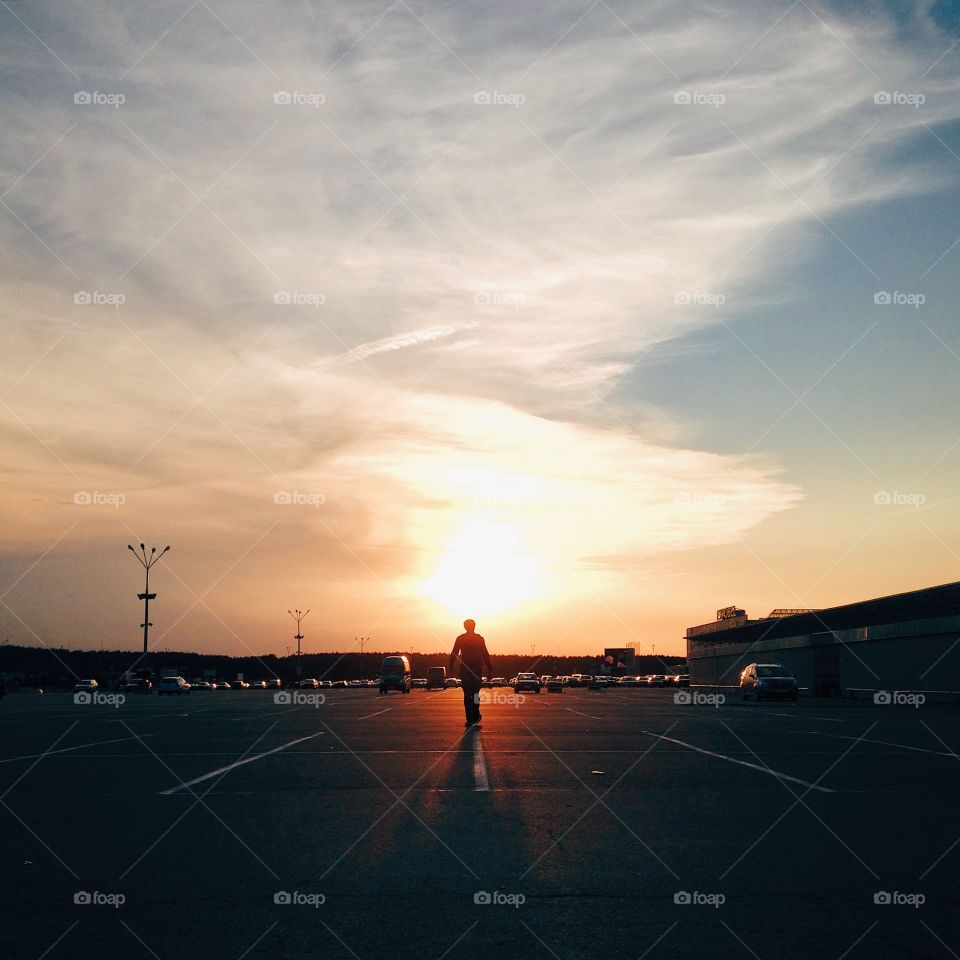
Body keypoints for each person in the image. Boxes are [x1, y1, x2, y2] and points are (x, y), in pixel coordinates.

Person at [449, 619, 493, 727]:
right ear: (474, 626)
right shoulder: (479, 639)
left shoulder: (461, 638)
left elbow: (454, 652)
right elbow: (485, 654)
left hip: (466, 669)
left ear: (465, 627)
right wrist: (490, 669)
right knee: (475, 693)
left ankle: (470, 717)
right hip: (476, 669)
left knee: (468, 694)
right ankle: (474, 715)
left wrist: (451, 665)